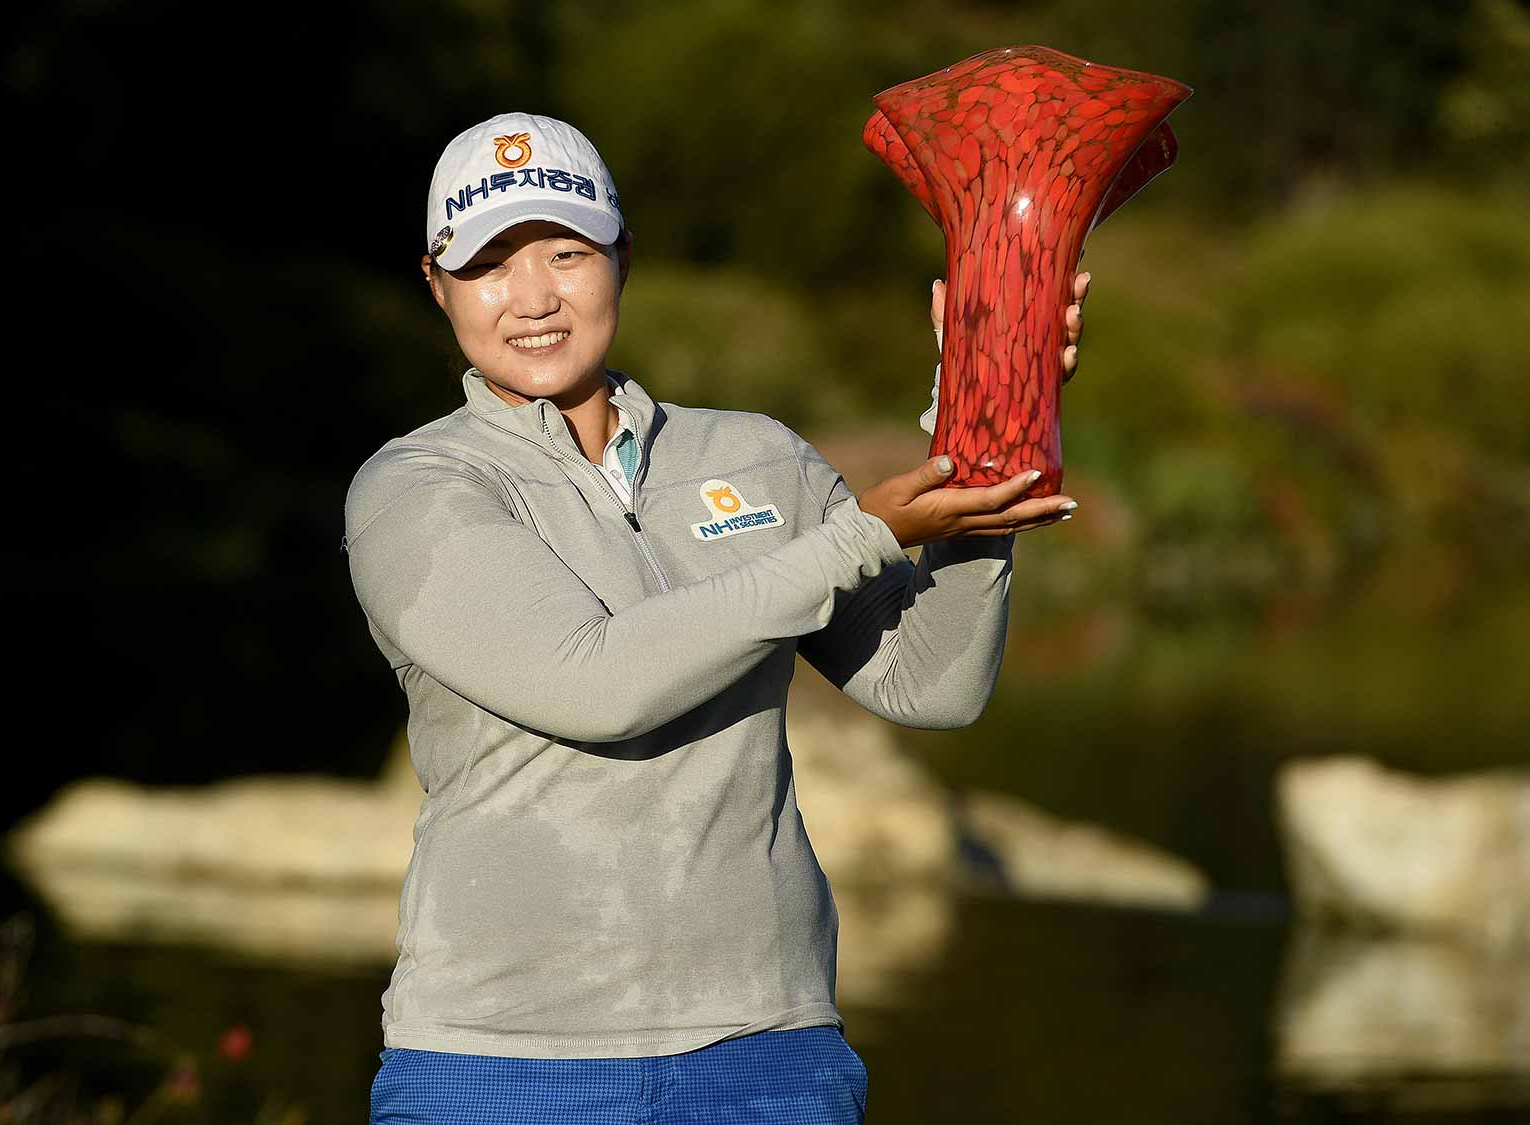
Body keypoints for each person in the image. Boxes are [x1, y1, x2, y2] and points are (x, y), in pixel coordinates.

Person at [344, 111, 1088, 1125]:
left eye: (566, 252)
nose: (532, 298)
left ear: (621, 258)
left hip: (768, 1057)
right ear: (437, 286)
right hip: (502, 1066)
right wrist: (859, 534)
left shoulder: (755, 456)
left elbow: (932, 682)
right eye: (488, 265)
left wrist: (986, 420)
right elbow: (593, 682)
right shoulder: (416, 486)